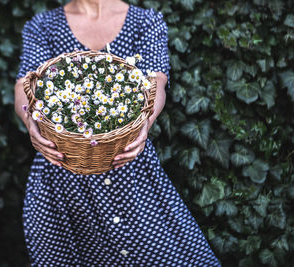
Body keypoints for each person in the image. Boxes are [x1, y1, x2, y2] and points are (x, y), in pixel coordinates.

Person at [14, 0, 222, 266]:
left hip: (130, 173)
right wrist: (30, 118)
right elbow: (25, 83)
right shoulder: (43, 26)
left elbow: (155, 81)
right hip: (63, 180)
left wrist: (144, 123)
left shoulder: (145, 22)